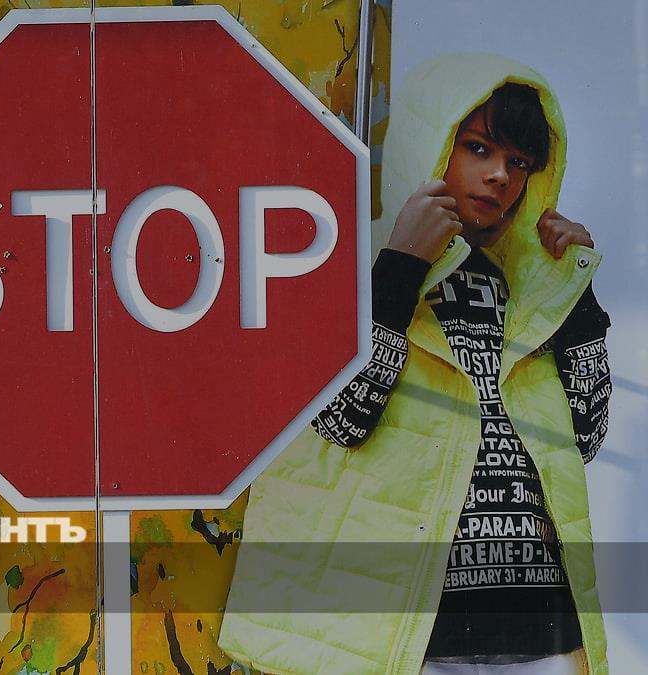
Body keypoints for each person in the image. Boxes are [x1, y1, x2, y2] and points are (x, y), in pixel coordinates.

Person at [220, 54, 611, 674]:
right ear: (430, 143)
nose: (500, 175)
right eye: (478, 148)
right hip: (406, 635)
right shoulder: (349, 262)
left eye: (519, 162)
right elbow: (343, 420)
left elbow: (584, 437)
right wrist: (402, 264)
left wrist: (576, 296)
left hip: (540, 626)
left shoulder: (529, 281)